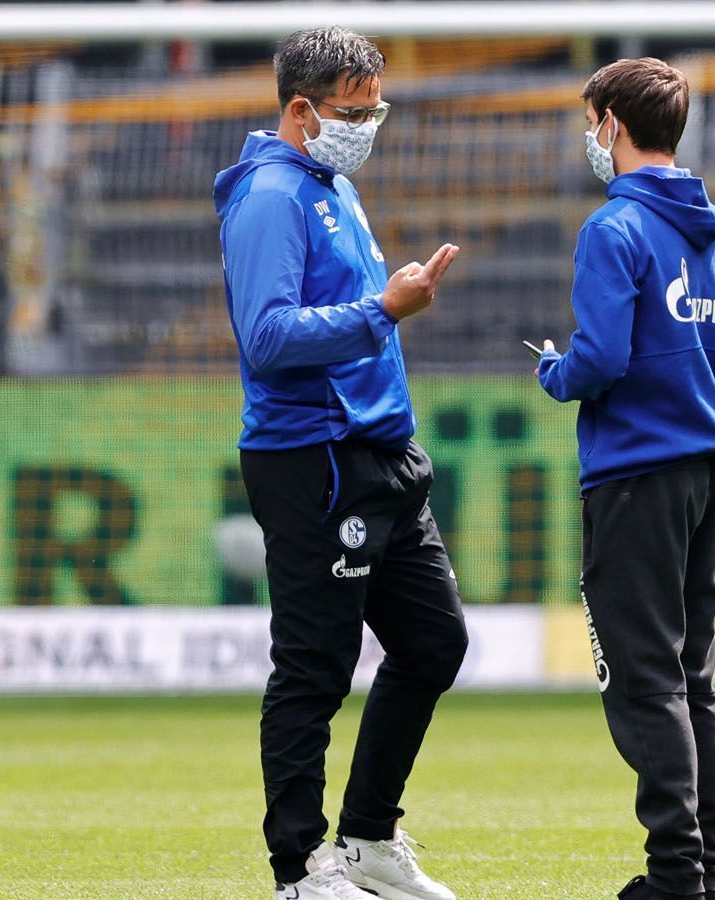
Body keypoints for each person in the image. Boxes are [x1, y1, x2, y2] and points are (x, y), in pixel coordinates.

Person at [214, 26, 467, 900]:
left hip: (382, 454)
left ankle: (367, 840)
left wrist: (381, 306)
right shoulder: (271, 197)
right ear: (300, 109)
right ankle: (298, 869)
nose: (367, 124)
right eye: (352, 112)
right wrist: (383, 309)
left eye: (373, 109)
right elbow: (269, 337)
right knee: (315, 668)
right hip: (312, 457)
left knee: (435, 642)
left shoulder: (333, 184)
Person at [534, 57, 715, 900]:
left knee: (643, 679)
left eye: (591, 122)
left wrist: (555, 372)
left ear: (612, 124)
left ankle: (673, 877)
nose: (589, 137)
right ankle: (703, 867)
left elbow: (604, 357)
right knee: (693, 676)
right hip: (706, 466)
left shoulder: (613, 230)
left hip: (634, 475)